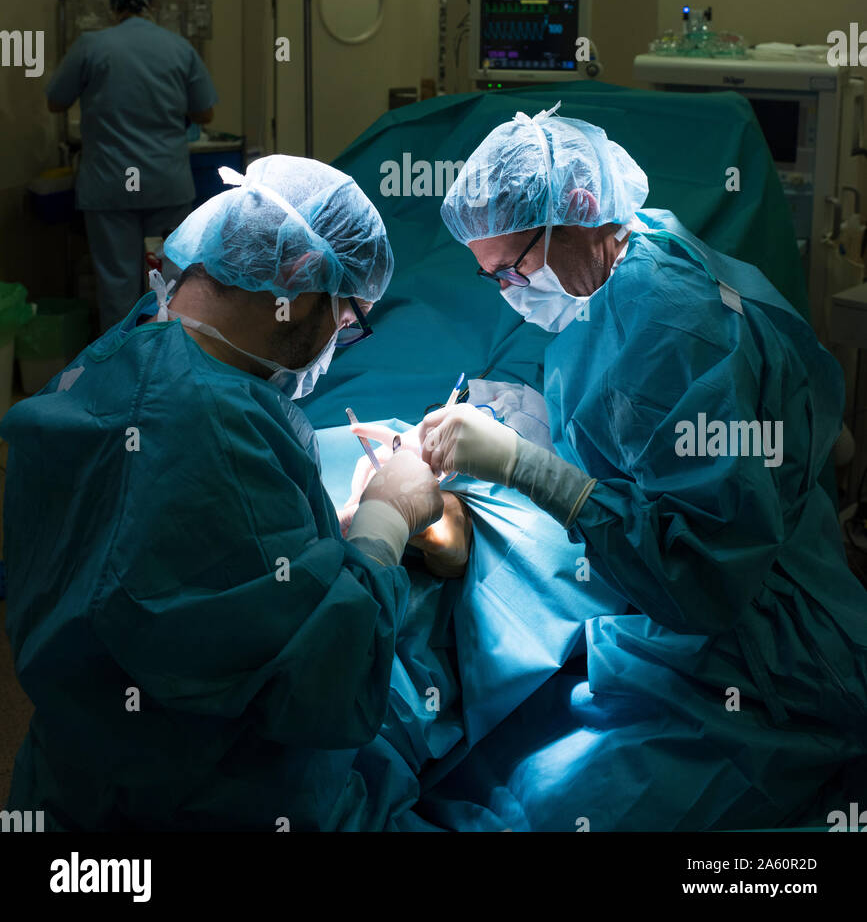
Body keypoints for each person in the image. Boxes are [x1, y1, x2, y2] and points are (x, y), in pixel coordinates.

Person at [417, 103, 867, 831]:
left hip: (766, 657)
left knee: (536, 806)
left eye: (516, 266)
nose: (512, 291)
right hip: (711, 612)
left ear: (583, 208)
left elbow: (703, 574)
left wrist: (528, 467)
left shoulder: (668, 324)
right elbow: (645, 437)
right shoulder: (642, 248)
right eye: (493, 277)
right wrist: (543, 427)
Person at [1, 156, 452, 831]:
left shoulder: (117, 355)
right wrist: (387, 519)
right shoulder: (206, 421)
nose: (340, 338)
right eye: (348, 317)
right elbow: (323, 675)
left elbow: (177, 562)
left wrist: (331, 531)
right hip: (212, 798)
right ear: (300, 280)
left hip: (76, 784)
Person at [46, 0, 218, 330]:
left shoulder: (91, 46)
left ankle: (122, 371)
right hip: (164, 182)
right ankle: (171, 365)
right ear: (152, 0)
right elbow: (205, 113)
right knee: (172, 283)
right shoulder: (178, 47)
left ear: (112, 3)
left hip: (110, 186)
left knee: (117, 288)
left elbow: (55, 102)